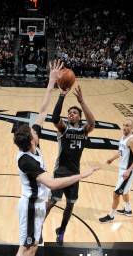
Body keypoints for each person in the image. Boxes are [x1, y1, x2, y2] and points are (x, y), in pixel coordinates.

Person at [3, 60, 100, 256]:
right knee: (24, 248)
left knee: (34, 246)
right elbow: (54, 183)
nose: (38, 128)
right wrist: (83, 174)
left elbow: (43, 110)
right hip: (30, 206)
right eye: (35, 130)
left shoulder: (30, 143)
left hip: (38, 208)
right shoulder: (26, 159)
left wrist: (51, 81)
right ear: (31, 139)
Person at [45, 84, 96, 245]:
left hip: (75, 174)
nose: (71, 114)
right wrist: (61, 96)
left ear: (79, 117)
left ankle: (61, 231)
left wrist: (82, 102)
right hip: (60, 172)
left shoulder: (84, 130)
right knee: (52, 202)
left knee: (70, 205)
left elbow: (92, 123)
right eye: (69, 113)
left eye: (74, 113)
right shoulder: (63, 129)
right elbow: (54, 118)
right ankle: (37, 227)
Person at [99, 119, 133, 222]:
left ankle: (111, 215)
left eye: (128, 125)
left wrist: (128, 170)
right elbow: (121, 152)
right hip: (122, 170)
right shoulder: (123, 138)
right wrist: (111, 159)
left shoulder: (132, 140)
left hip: (127, 172)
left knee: (116, 193)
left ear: (132, 128)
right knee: (125, 192)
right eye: (124, 125)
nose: (125, 127)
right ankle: (128, 210)